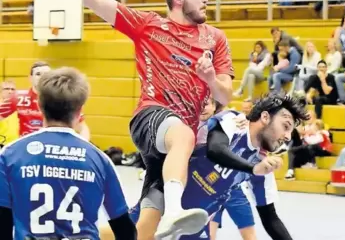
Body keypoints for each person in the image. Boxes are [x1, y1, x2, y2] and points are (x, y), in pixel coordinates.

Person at [73, 0, 234, 239]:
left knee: (143, 227)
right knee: (183, 135)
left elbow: (225, 93)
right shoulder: (148, 25)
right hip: (151, 117)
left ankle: (80, 235)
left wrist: (211, 79)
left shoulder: (216, 38)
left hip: (177, 144)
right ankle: (176, 211)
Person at [100, 94, 308, 240]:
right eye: (286, 126)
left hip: (194, 226)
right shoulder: (233, 122)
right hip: (165, 202)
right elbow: (215, 150)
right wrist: (252, 168)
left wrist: (257, 169)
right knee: (126, 235)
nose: (288, 137)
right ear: (265, 117)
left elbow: (270, 219)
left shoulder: (263, 167)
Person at [0, 67, 137, 240]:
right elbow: (125, 229)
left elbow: (3, 224)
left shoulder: (10, 155)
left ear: (40, 105)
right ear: (80, 110)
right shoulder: (99, 159)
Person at [0, 61, 90, 140]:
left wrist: (82, 146)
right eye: (38, 74)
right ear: (30, 78)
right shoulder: (18, 97)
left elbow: (82, 127)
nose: (42, 77)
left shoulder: (62, 97)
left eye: (46, 74)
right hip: (27, 147)